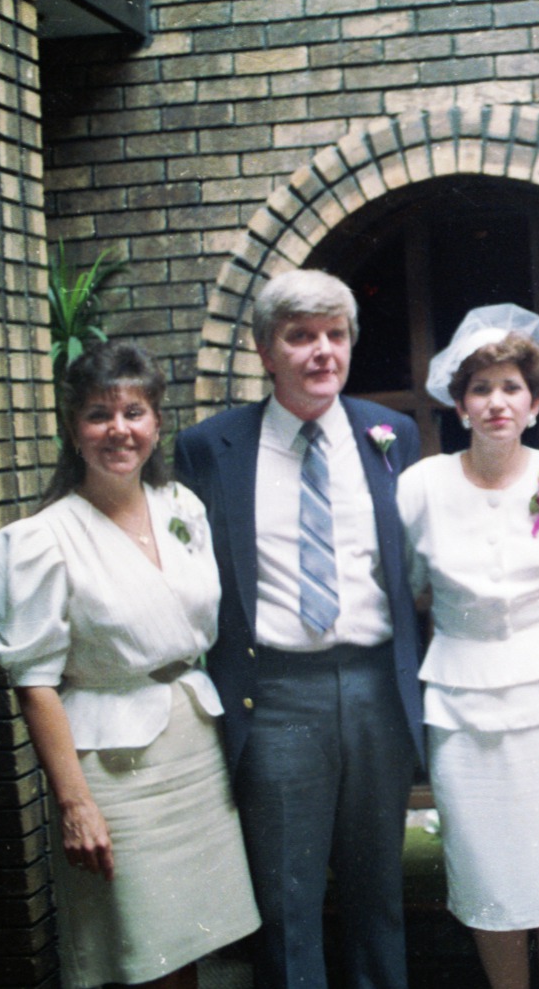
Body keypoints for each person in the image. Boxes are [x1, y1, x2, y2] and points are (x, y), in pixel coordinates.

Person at [174, 269, 423, 989]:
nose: (322, 351)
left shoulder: (391, 436)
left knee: (379, 893)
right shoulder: (208, 449)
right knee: (287, 902)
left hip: (377, 687)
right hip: (279, 695)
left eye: (334, 335)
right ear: (265, 350)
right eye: (301, 336)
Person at [0, 342, 260, 989]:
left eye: (134, 411)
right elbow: (35, 682)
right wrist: (75, 802)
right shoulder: (42, 540)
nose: (119, 429)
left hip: (192, 749)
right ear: (72, 428)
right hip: (114, 768)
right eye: (99, 414)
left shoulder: (180, 508)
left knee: (189, 939)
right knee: (140, 944)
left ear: (156, 422)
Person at [396, 305, 539, 989]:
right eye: (481, 388)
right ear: (459, 404)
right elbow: (411, 585)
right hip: (465, 700)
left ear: (534, 403)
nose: (497, 401)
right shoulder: (419, 487)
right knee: (489, 865)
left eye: (511, 387)